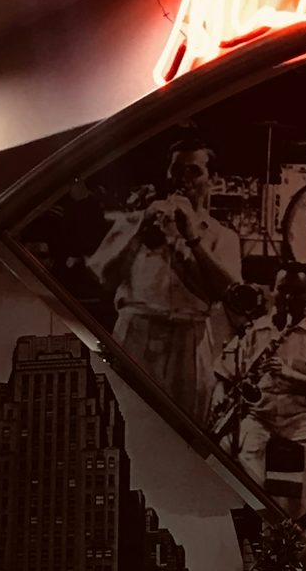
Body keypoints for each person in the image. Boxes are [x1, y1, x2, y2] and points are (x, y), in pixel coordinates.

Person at [87, 142, 242, 423]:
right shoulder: (132, 222)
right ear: (167, 173)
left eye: (194, 171)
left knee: (185, 425)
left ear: (212, 180)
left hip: (190, 337)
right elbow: (104, 279)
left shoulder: (222, 236)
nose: (184, 179)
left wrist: (192, 237)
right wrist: (139, 230)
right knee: (124, 421)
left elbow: (230, 292)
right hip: (136, 331)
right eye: (177, 170)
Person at [212, 266, 306, 514]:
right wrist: (220, 398)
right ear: (272, 291)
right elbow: (225, 374)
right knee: (229, 451)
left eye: (297, 292)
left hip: (305, 415)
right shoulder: (254, 330)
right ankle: (261, 520)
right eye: (282, 290)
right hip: (260, 415)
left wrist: (290, 375)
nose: (288, 298)